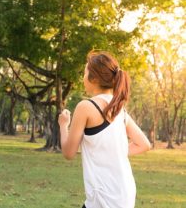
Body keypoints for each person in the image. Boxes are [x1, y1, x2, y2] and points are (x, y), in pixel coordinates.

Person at [58, 51, 151, 208]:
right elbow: (144, 144)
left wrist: (63, 125)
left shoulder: (86, 107)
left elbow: (68, 153)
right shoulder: (119, 110)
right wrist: (113, 154)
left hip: (105, 196)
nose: (83, 77)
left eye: (85, 72)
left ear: (93, 78)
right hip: (124, 193)